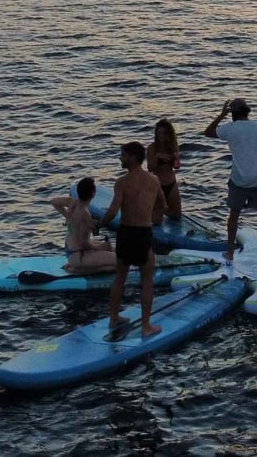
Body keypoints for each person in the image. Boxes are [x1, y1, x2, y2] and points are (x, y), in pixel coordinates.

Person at [205, 97, 257, 262]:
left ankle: (230, 252)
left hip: (239, 180)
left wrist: (221, 114)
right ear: (247, 111)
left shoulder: (230, 128)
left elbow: (208, 132)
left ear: (232, 113)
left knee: (234, 214)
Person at [101, 142, 163, 338]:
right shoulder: (153, 181)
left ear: (133, 158)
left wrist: (98, 224)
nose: (120, 158)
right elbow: (162, 203)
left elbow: (112, 211)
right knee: (147, 281)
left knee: (120, 277)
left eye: (123, 155)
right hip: (143, 233)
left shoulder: (121, 183)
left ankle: (114, 317)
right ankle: (146, 326)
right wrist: (151, 216)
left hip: (126, 233)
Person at [49, 176, 117, 274]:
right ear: (93, 194)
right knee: (120, 263)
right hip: (79, 256)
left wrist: (67, 215)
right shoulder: (86, 215)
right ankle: (77, 270)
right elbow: (83, 243)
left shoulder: (72, 202)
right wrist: (100, 248)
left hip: (70, 250)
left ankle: (75, 265)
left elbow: (53, 202)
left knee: (112, 249)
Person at [147, 118, 182, 222]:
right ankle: (153, 209)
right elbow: (150, 168)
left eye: (164, 133)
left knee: (176, 216)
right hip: (158, 186)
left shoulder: (172, 146)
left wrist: (175, 158)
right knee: (156, 222)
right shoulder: (152, 148)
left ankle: (162, 209)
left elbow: (177, 167)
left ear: (169, 134)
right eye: (159, 133)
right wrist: (158, 156)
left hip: (171, 184)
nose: (161, 135)